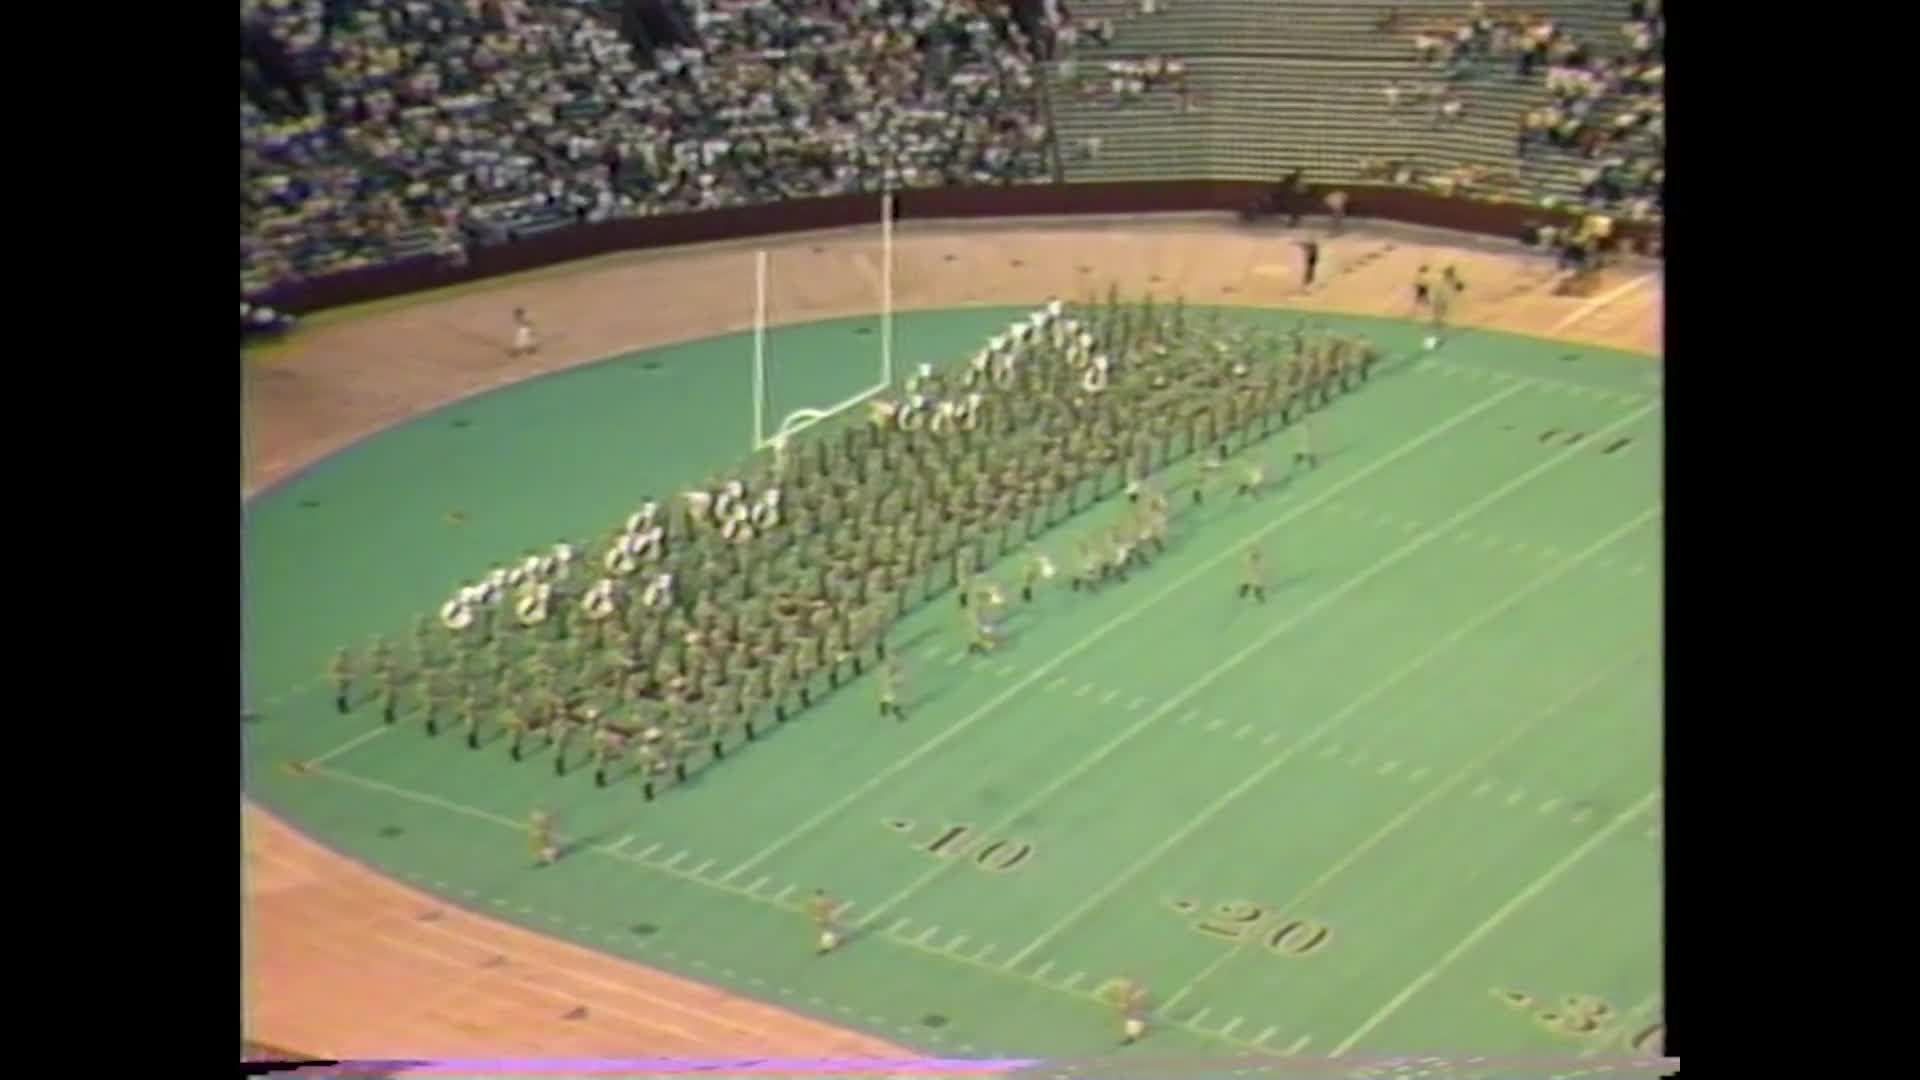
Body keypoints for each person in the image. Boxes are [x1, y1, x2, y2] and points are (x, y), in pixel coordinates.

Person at [810, 889, 841, 954]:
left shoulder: (816, 901)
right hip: (826, 918)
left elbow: (817, 910)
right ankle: (833, 943)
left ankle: (826, 945)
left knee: (824, 931)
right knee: (831, 930)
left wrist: (816, 918)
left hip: (822, 918)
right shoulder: (826, 901)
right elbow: (833, 906)